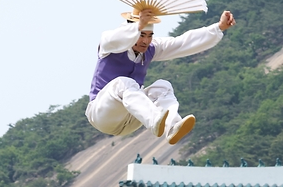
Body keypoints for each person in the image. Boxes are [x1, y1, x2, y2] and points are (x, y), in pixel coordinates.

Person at [86, 8, 235, 145]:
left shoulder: (151, 49)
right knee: (123, 83)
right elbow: (113, 38)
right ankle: (155, 120)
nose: (145, 41)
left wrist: (219, 27)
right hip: (102, 114)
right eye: (141, 35)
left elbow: (182, 42)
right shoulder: (109, 46)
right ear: (130, 32)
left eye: (149, 36)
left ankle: (172, 126)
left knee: (163, 86)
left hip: (131, 118)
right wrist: (138, 25)